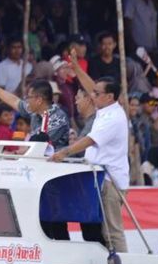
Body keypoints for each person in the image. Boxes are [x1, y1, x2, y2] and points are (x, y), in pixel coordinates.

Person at [50, 66, 130, 253]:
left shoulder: (113, 118)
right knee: (106, 230)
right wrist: (77, 68)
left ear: (109, 97)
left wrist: (65, 152)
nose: (92, 95)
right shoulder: (106, 108)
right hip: (102, 178)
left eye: (96, 93)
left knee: (112, 231)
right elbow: (91, 86)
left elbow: (90, 140)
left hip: (111, 181)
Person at [0, 67, 70, 148]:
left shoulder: (58, 118)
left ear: (39, 100)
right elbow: (14, 100)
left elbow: (42, 146)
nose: (26, 100)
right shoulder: (35, 111)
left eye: (28, 97)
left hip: (56, 163)